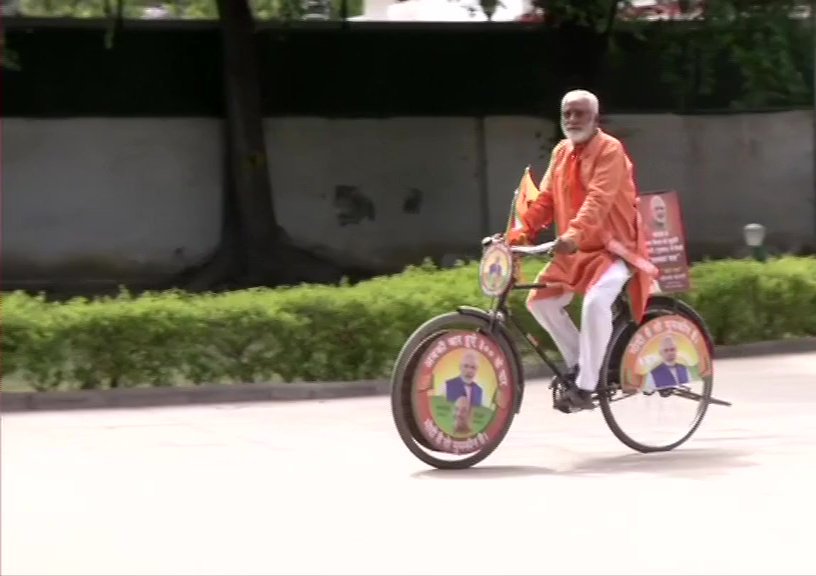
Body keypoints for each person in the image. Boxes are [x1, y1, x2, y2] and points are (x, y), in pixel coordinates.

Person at [497, 89, 658, 413]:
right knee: (541, 303)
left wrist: (572, 234)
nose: (571, 119)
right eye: (566, 114)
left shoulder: (610, 150)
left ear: (595, 118)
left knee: (596, 302)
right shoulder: (561, 152)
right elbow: (545, 201)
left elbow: (597, 200)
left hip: (615, 249)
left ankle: (585, 387)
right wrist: (516, 235)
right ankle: (583, 366)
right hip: (575, 251)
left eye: (579, 113)